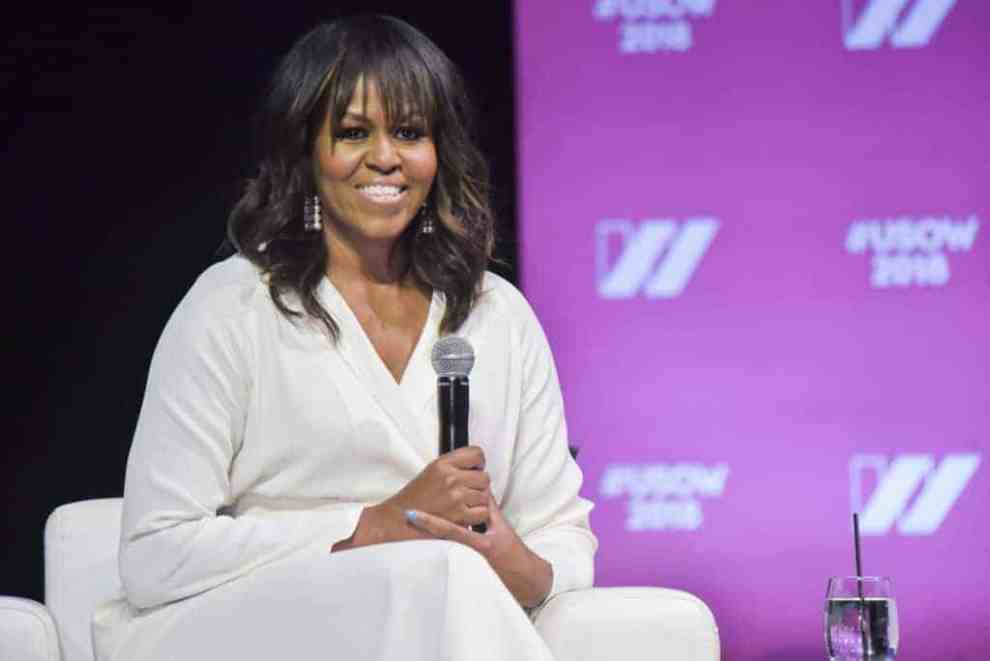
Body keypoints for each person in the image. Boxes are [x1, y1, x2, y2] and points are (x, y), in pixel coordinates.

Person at [92, 14, 596, 661]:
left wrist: (510, 556)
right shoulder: (233, 306)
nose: (384, 156)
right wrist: (372, 526)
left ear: (439, 155)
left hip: (451, 615)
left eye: (410, 132)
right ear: (306, 154)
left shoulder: (497, 314)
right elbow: (154, 552)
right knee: (438, 576)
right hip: (256, 624)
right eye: (354, 132)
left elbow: (564, 537)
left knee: (450, 578)